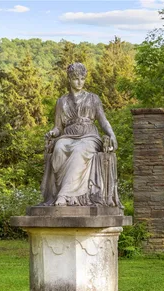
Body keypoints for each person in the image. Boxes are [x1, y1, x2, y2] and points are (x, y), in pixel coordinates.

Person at [41, 63, 119, 206]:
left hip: (89, 136)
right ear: (69, 79)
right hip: (68, 135)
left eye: (82, 78)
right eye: (76, 78)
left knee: (79, 151)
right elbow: (58, 127)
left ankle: (64, 195)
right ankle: (64, 192)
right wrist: (52, 132)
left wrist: (112, 135)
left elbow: (103, 120)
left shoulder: (93, 98)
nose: (79, 82)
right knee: (59, 148)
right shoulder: (61, 101)